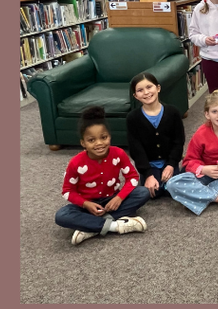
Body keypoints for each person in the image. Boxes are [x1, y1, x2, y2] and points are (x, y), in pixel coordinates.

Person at [54, 105, 149, 245]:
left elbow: (133, 178)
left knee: (143, 192)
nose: (99, 143)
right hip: (87, 205)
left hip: (112, 200)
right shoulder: (75, 163)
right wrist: (85, 204)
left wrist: (118, 198)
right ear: (83, 143)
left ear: (109, 137)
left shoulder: (118, 153)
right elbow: (67, 191)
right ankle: (114, 226)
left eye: (103, 137)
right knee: (61, 216)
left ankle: (90, 227)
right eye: (91, 140)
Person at [125, 71, 185, 200]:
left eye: (149, 87)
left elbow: (178, 141)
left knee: (173, 190)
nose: (146, 93)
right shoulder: (133, 118)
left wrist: (171, 164)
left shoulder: (173, 112)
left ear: (158, 88)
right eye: (140, 90)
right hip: (150, 164)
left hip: (169, 161)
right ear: (135, 96)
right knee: (153, 193)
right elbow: (136, 148)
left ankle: (181, 169)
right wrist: (147, 174)